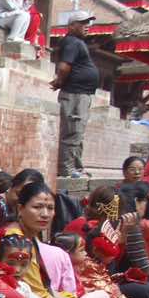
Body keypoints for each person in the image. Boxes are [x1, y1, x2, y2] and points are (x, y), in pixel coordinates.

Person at [6, 181, 103, 298]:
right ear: (20, 209)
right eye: (37, 207)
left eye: (50, 208)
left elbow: (44, 290)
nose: (45, 214)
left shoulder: (30, 236)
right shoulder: (16, 240)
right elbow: (37, 294)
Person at [54, 230, 140, 298]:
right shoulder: (85, 265)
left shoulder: (83, 264)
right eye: (81, 250)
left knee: (102, 297)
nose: (86, 253)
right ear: (66, 253)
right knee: (102, 297)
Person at [52, 11, 99, 177]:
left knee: (78, 132)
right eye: (82, 23)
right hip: (74, 94)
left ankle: (76, 167)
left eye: (88, 23)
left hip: (81, 94)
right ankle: (67, 169)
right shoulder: (72, 42)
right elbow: (64, 67)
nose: (87, 26)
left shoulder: (77, 42)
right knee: (72, 131)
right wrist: (59, 81)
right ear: (71, 26)